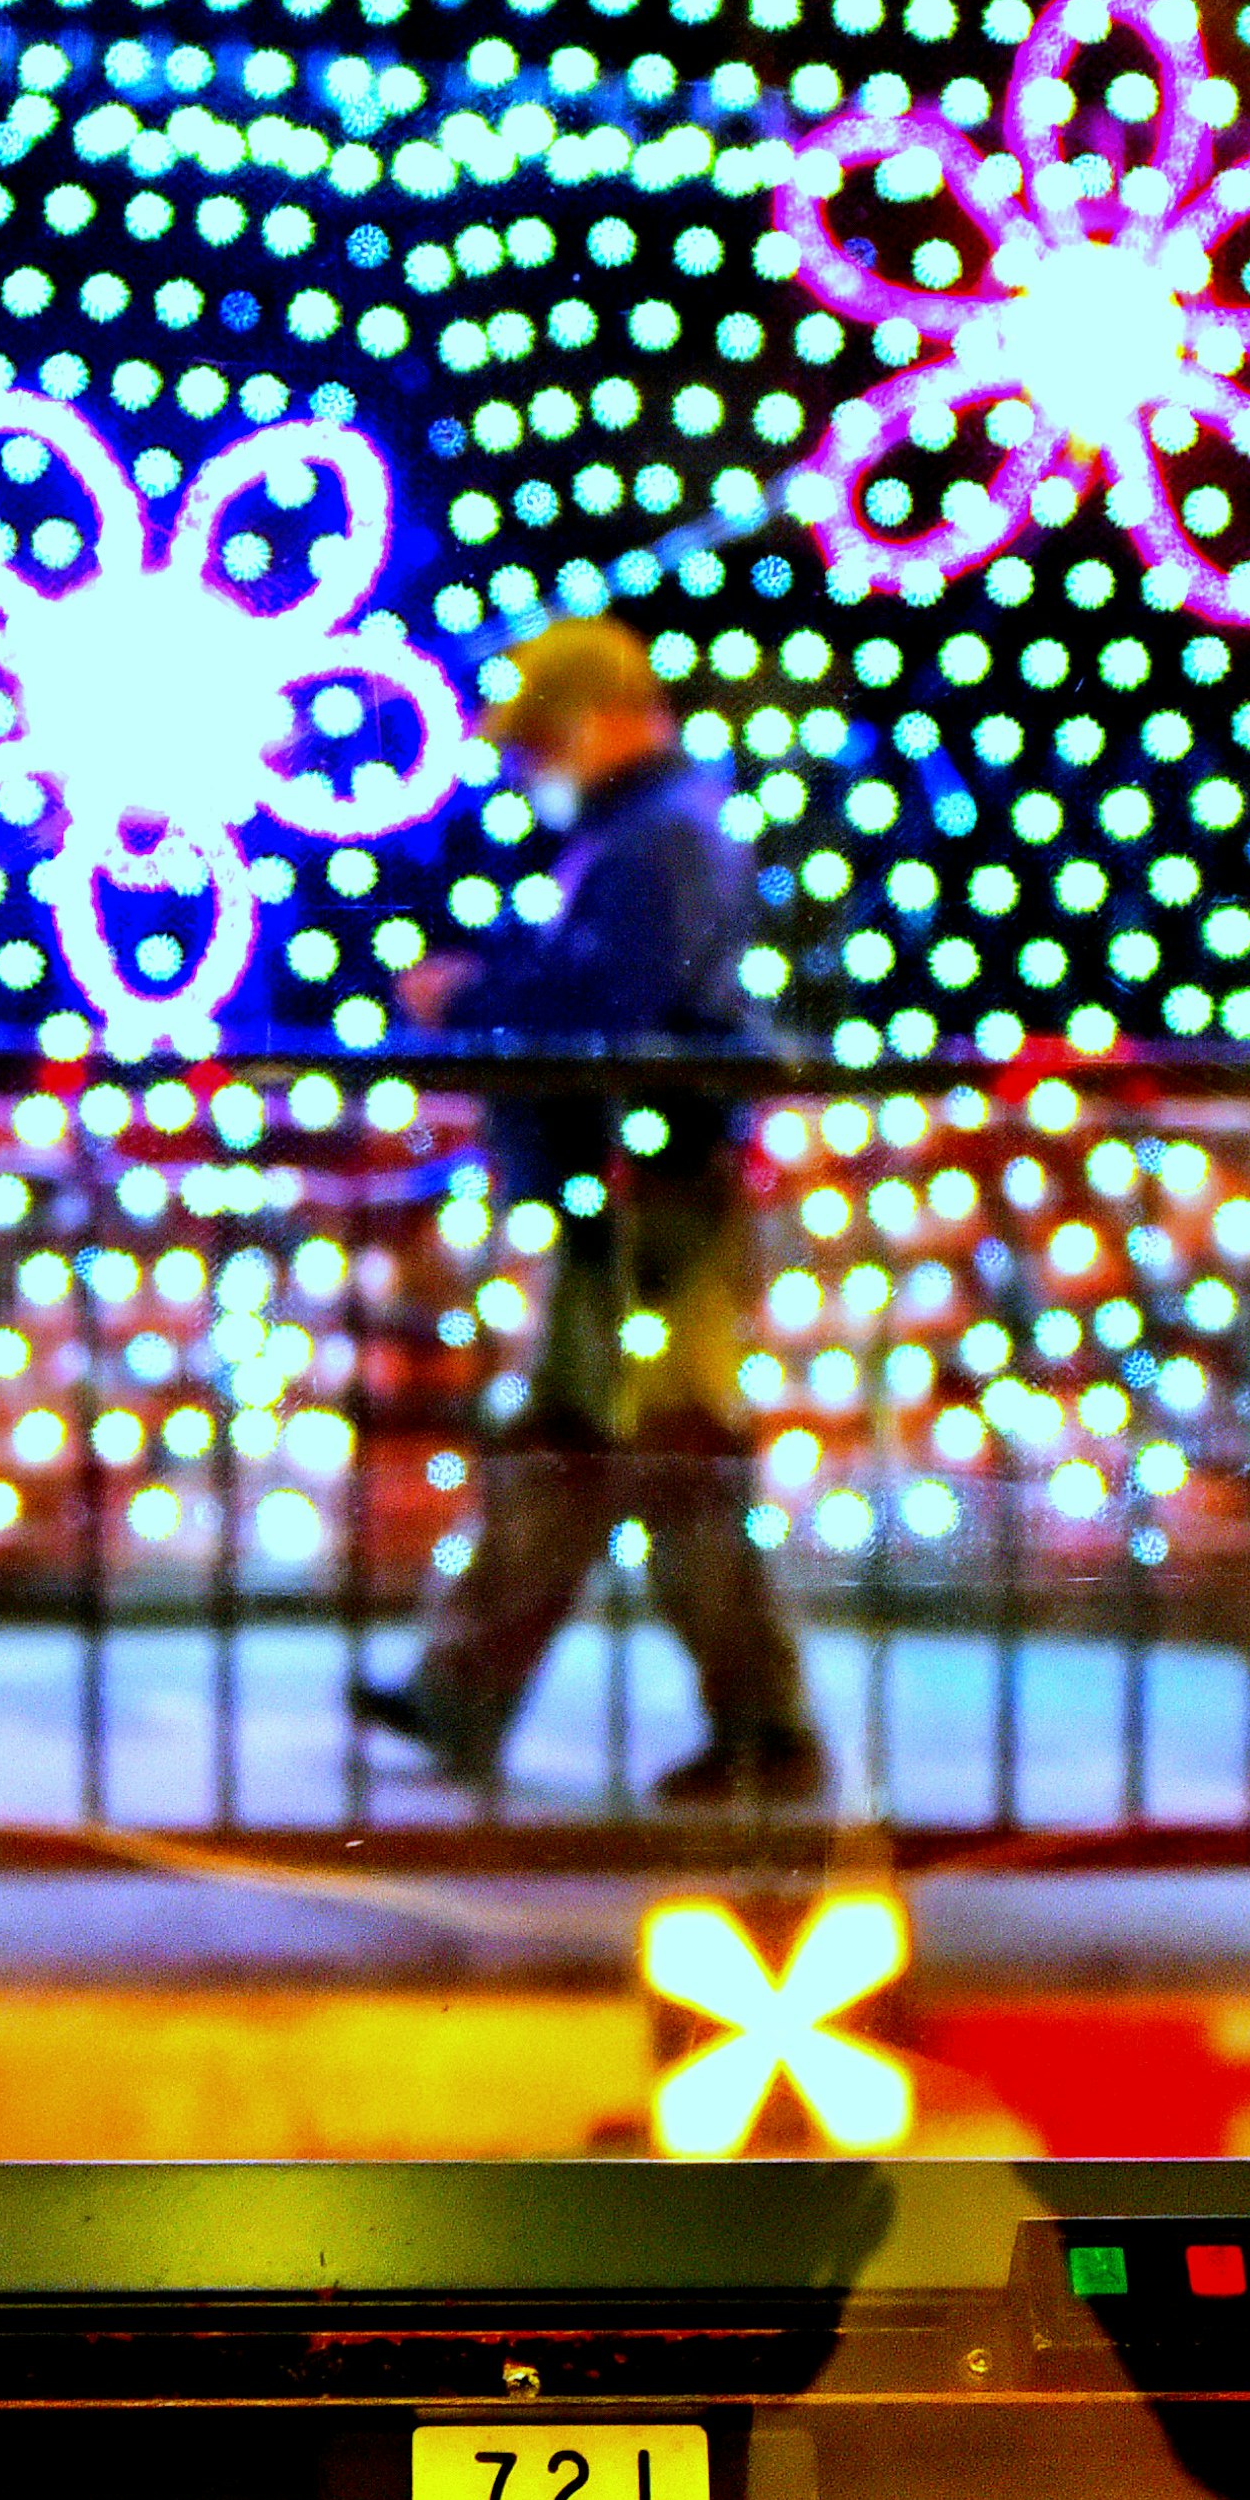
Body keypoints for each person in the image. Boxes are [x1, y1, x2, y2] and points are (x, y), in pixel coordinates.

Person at [360, 617, 832, 1807]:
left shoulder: (658, 840)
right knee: (585, 1447)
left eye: (541, 743)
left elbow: (613, 999)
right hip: (638, 1186)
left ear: (599, 719)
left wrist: (471, 991)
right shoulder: (656, 831)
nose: (530, 771)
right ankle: (469, 1689)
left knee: (652, 1455)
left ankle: (760, 1727)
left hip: (648, 1192)